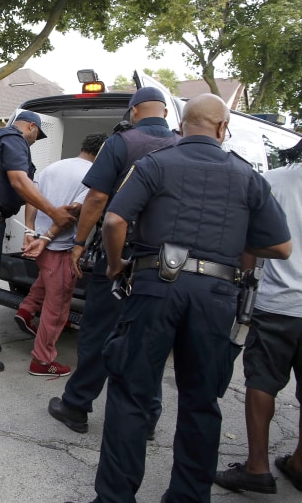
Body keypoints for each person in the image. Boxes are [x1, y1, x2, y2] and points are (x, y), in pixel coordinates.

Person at [91, 93, 292, 503]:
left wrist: (114, 265)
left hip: (154, 287)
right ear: (223, 129)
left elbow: (114, 219)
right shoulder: (247, 176)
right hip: (217, 296)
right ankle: (187, 496)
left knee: (131, 394)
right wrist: (235, 241)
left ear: (181, 126)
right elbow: (282, 247)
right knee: (202, 402)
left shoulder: (153, 165)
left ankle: (114, 498)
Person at [48, 86, 179, 435]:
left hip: (119, 255)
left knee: (100, 332)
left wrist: (78, 243)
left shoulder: (121, 143)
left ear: (134, 112)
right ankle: (146, 417)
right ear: (164, 113)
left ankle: (76, 406)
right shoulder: (181, 145)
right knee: (150, 340)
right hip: (165, 265)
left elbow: (96, 199)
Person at [214, 142, 302, 495]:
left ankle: (257, 467)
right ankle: (298, 463)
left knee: (262, 381)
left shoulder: (273, 181)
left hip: (277, 303)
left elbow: (247, 239)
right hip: (280, 304)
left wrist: (243, 288)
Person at [0, 110, 75, 372]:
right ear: (31, 127)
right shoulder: (12, 137)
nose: (34, 142)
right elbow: (20, 181)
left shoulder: (5, 140)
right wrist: (55, 213)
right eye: (36, 137)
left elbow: (26, 185)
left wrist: (30, 228)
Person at [19, 132, 106, 376]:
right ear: (102, 153)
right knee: (56, 308)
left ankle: (25, 311)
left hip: (40, 244)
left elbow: (31, 199)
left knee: (45, 284)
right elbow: (74, 211)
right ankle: (42, 361)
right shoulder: (93, 176)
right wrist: (49, 238)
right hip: (61, 247)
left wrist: (31, 231)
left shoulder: (53, 167)